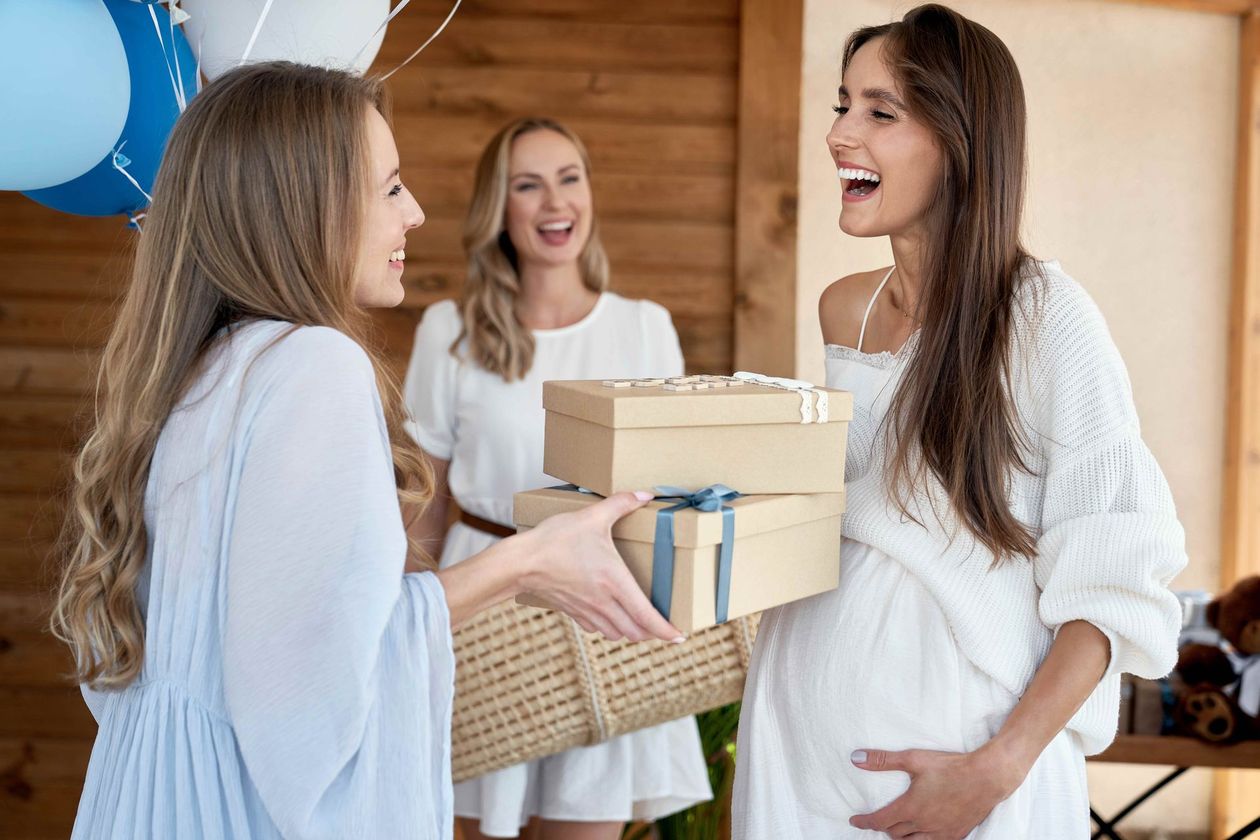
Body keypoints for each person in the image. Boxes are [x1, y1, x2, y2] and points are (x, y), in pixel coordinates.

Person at [50, 62, 681, 840]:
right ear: (306, 207)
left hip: (148, 795)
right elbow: (316, 669)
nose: (414, 213)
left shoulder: (207, 363)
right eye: (388, 188)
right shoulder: (314, 365)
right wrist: (526, 563)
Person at [732, 6, 1188, 838]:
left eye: (879, 111)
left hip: (967, 768)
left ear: (958, 137)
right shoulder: (846, 310)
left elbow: (1115, 580)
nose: (839, 134)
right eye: (842, 105)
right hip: (796, 751)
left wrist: (997, 769)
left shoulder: (1046, 319)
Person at [403, 116, 712, 840]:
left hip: (600, 614)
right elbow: (425, 508)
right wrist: (404, 633)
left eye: (569, 178)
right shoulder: (449, 331)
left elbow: (673, 500)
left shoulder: (644, 328)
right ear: (498, 209)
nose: (555, 203)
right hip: (481, 607)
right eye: (528, 185)